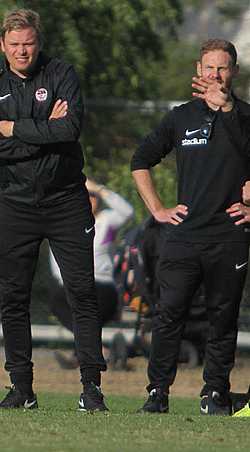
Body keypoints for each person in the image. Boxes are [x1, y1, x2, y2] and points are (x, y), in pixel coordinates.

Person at [0, 8, 108, 412]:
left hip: (66, 199)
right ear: (2, 45)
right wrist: (43, 130)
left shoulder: (62, 74)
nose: (21, 51)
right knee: (14, 297)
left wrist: (12, 126)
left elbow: (69, 129)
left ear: (39, 42)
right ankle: (21, 388)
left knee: (82, 293)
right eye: (14, 44)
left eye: (28, 43)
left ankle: (91, 388)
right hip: (15, 204)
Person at [132, 38, 250, 415]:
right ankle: (158, 393)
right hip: (183, 237)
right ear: (198, 72)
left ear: (235, 72)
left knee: (223, 318)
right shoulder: (181, 117)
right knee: (169, 313)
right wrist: (158, 210)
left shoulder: (246, 116)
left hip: (229, 237)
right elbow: (140, 160)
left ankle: (214, 393)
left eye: (223, 68)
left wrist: (227, 108)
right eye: (209, 68)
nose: (216, 75)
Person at [50, 178, 133, 369]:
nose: (90, 200)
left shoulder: (106, 221)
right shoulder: (67, 223)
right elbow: (56, 260)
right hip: (75, 283)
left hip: (102, 285)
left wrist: (99, 189)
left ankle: (81, 355)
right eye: (86, 195)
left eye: (93, 197)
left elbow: (127, 211)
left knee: (87, 307)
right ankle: (93, 351)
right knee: (57, 299)